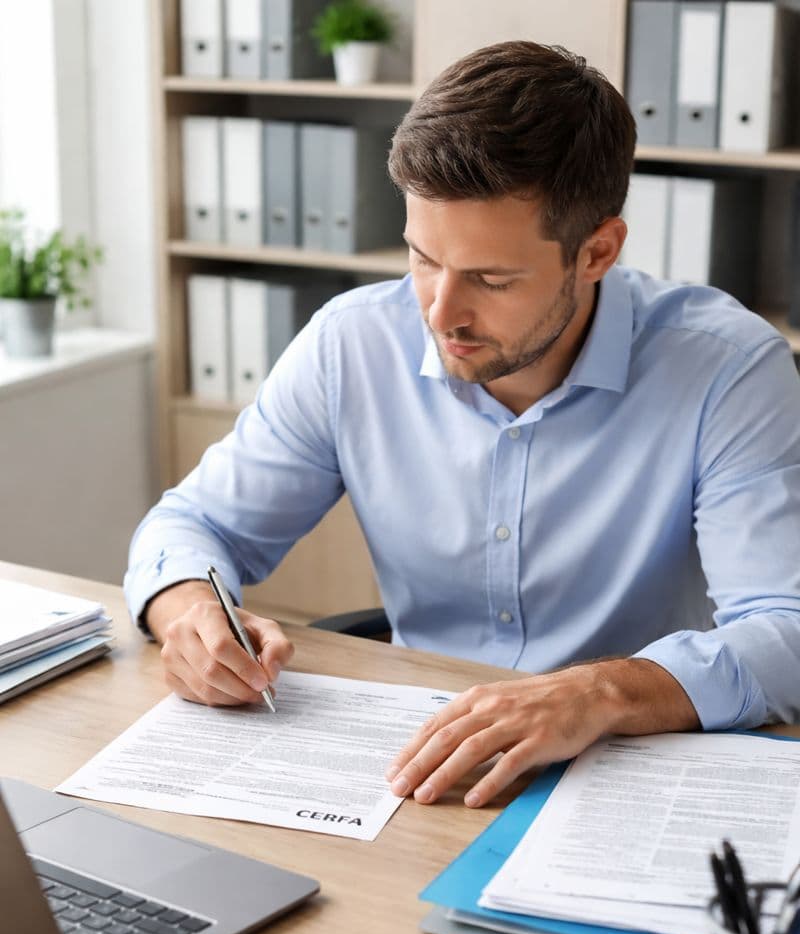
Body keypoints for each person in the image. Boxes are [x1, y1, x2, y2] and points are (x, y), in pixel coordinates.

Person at [126, 40, 800, 810]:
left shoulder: (726, 368)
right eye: (423, 259)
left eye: (491, 278)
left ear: (597, 252)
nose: (441, 313)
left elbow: (785, 630)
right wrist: (190, 611)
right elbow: (193, 523)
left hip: (631, 769)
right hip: (415, 764)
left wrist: (601, 691)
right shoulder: (351, 343)